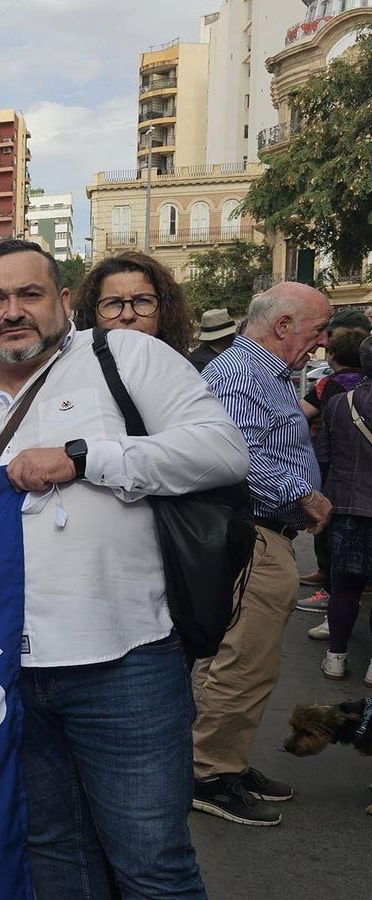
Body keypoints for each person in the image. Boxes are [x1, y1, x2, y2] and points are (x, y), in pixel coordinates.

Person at [0, 239, 247, 895]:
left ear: (63, 302)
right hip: (1, 670)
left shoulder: (126, 356)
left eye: (29, 294)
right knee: (56, 856)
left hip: (126, 660)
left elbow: (222, 452)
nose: (13, 311)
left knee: (153, 864)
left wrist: (85, 457)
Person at [193, 281, 333, 827]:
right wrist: (302, 494)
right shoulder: (242, 373)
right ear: (283, 325)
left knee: (234, 662)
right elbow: (232, 454)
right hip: (253, 536)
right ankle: (210, 772)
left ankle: (221, 761)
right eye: (318, 329)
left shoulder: (258, 372)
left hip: (258, 535)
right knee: (243, 664)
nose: (322, 342)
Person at [312, 334, 372, 684]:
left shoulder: (338, 404)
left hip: (347, 509)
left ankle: (335, 657)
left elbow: (323, 457)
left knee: (345, 586)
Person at [72, 250, 195, 354]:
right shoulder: (75, 373)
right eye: (113, 303)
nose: (128, 315)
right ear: (92, 315)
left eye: (142, 301)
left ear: (164, 310)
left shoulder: (182, 372)